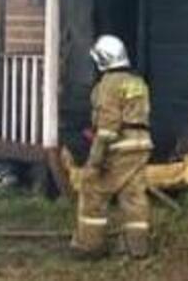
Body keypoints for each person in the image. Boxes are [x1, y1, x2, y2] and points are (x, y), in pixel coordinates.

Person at [72, 34, 153, 258]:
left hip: (119, 148)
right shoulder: (137, 82)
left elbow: (108, 127)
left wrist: (95, 160)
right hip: (142, 145)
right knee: (133, 196)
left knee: (93, 189)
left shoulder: (108, 85)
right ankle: (137, 248)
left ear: (103, 60)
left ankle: (90, 246)